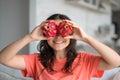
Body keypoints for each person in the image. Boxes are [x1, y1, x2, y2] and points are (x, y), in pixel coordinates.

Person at [0, 13, 120, 80]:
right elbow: (4, 58)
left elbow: (116, 62)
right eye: (53, 31)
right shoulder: (36, 61)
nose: (58, 37)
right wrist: (30, 37)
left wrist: (86, 38)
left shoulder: (85, 60)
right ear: (44, 35)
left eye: (62, 31)